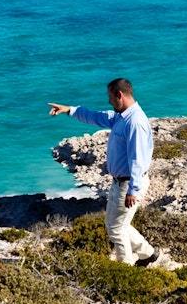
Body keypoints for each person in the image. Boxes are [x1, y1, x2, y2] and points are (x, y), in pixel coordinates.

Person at [48, 78, 159, 267]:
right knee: (114, 224)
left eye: (110, 97)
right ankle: (147, 253)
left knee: (117, 229)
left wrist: (133, 190)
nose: (109, 102)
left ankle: (125, 270)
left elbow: (138, 159)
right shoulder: (121, 117)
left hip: (129, 184)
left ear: (119, 95)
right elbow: (97, 117)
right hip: (119, 182)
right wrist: (69, 109)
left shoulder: (135, 123)